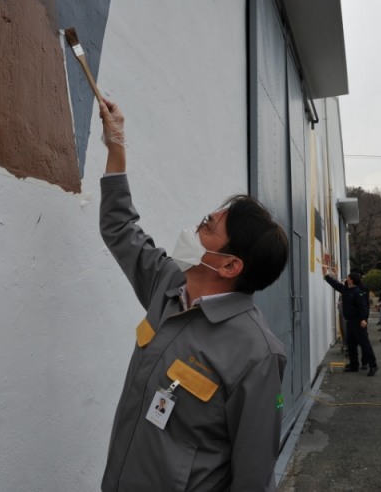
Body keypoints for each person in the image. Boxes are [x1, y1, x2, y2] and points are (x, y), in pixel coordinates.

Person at [97, 99, 290, 491]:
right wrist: (116, 145)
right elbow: (120, 228)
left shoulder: (257, 355)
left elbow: (253, 478)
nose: (193, 229)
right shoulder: (168, 286)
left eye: (207, 226)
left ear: (229, 265)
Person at [323, 271, 379, 376]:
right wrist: (327, 277)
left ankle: (373, 365)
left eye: (347, 278)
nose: (345, 279)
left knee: (364, 344)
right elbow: (336, 285)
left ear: (351, 280)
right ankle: (354, 365)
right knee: (351, 344)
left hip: (358, 321)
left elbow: (363, 306)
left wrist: (363, 319)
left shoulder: (358, 292)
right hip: (350, 322)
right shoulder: (346, 290)